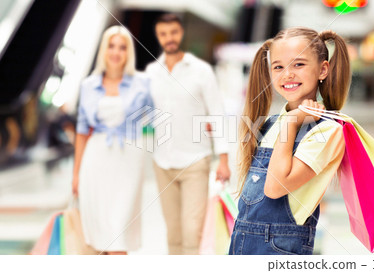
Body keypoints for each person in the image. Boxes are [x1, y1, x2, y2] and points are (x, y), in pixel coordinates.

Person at [229, 27, 350, 255]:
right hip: (241, 241)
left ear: (323, 69)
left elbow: (276, 187)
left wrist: (293, 122)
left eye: (299, 64)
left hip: (280, 248)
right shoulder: (269, 124)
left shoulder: (328, 131)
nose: (287, 74)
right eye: (278, 67)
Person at [145, 14, 230, 255]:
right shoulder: (152, 72)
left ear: (180, 34)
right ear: (159, 37)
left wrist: (223, 159)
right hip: (162, 162)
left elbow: (217, 114)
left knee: (192, 232)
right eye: (163, 34)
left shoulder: (201, 71)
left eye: (173, 32)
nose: (168, 38)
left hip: (195, 161)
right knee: (173, 233)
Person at [72, 25, 153, 255]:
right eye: (111, 46)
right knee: (99, 235)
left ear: (128, 53)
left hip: (129, 162)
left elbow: (157, 119)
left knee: (119, 231)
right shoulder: (88, 85)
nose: (116, 52)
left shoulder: (142, 83)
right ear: (103, 50)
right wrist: (76, 174)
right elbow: (81, 131)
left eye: (122, 47)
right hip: (95, 160)